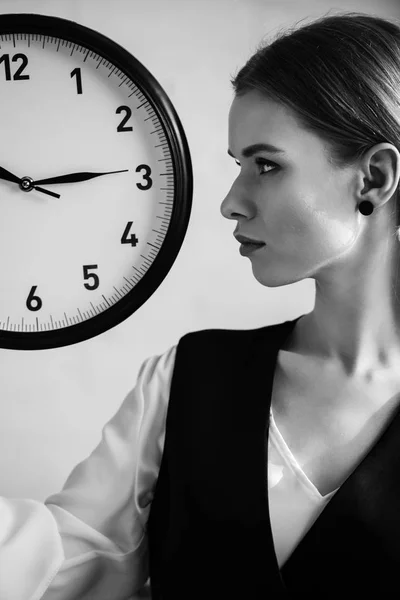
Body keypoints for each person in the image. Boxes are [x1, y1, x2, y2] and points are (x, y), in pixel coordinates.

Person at [2, 8, 400, 599]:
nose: (231, 203)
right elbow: (65, 562)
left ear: (373, 177)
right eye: (240, 166)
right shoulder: (184, 379)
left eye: (266, 165)